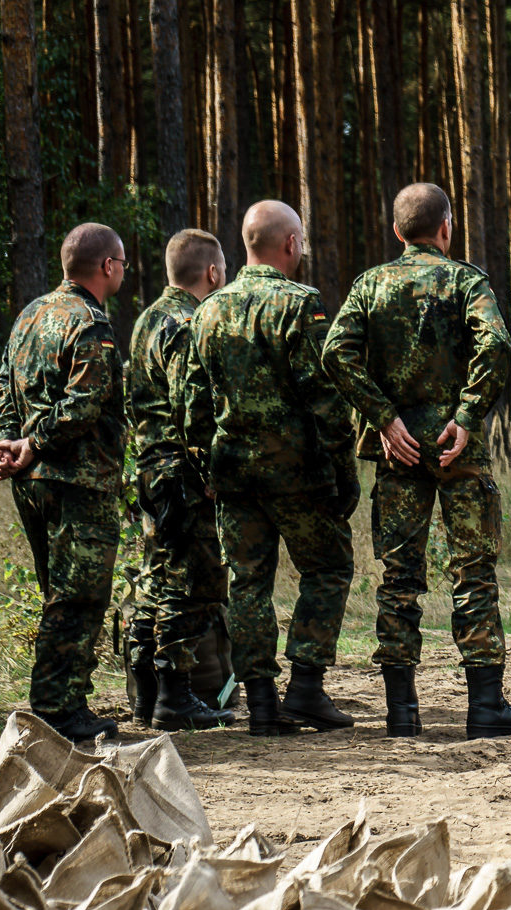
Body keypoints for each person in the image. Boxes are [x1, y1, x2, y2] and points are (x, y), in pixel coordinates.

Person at [323, 182, 511, 740]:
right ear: (447, 228)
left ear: (397, 232)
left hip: (398, 453)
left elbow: (335, 352)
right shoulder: (467, 281)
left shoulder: (370, 285)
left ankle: (402, 711)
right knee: (473, 574)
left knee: (398, 579)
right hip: (457, 451)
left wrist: (383, 417)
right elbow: (496, 344)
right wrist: (466, 416)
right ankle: (485, 707)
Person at [182, 199, 357, 736]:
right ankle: (305, 687)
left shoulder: (208, 309)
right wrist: (343, 466)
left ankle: (260, 702)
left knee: (248, 584)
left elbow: (193, 401)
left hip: (234, 474)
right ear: (290, 244)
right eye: (300, 239)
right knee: (327, 569)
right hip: (298, 475)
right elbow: (324, 395)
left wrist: (204, 461)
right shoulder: (300, 305)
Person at [0, 223, 129, 743]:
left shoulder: (30, 315)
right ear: (107, 266)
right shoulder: (91, 323)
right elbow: (84, 405)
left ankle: (67, 699)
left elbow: (3, 384)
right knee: (79, 598)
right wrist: (33, 443)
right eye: (122, 264)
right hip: (77, 481)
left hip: (33, 481)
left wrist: (9, 439)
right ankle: (55, 712)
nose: (123, 273)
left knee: (61, 593)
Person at [124, 228, 234, 731]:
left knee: (155, 576)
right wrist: (209, 471)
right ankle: (176, 695)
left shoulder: (147, 320)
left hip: (148, 469)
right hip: (182, 475)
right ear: (211, 273)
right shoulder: (189, 324)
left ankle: (146, 695)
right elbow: (194, 407)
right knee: (189, 583)